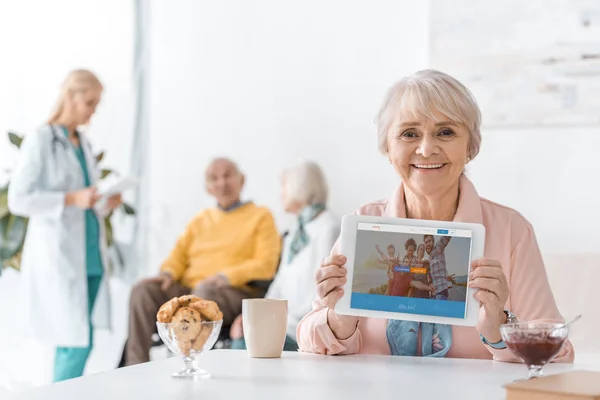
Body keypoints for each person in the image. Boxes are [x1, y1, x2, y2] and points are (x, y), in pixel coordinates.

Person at [297, 69, 574, 362]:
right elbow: (307, 339)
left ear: (470, 146)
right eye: (409, 133)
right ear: (388, 148)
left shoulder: (511, 231)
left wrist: (499, 329)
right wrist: (339, 319)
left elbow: (559, 354)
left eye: (446, 132)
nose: (427, 149)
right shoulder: (362, 222)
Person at [8, 69, 123, 381]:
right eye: (89, 102)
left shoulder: (82, 143)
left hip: (90, 256)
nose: (93, 111)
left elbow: (87, 198)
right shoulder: (41, 139)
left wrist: (104, 202)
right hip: (60, 257)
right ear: (70, 97)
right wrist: (71, 198)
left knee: (81, 340)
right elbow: (19, 199)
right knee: (74, 342)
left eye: (97, 104)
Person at [124, 158, 281, 365]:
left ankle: (190, 365)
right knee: (142, 291)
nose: (222, 183)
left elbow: (266, 264)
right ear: (208, 188)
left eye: (228, 175)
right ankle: (135, 367)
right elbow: (178, 255)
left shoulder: (261, 216)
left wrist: (224, 277)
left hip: (233, 291)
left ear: (241, 180)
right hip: (192, 288)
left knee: (202, 296)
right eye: (214, 178)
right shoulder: (200, 220)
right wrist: (167, 273)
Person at [229, 161, 339, 351]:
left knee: (243, 346)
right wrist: (253, 315)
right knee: (242, 336)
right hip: (283, 324)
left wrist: (273, 321)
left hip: (305, 329)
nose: (281, 193)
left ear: (300, 186)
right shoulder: (295, 233)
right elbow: (279, 284)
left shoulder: (328, 229)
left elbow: (324, 293)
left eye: (284, 185)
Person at [424, 234, 452, 300]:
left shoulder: (438, 247)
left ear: (433, 242)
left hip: (441, 292)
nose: (427, 244)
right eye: (426, 242)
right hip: (433, 294)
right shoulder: (429, 259)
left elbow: (447, 236)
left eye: (429, 241)